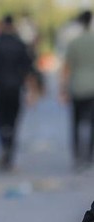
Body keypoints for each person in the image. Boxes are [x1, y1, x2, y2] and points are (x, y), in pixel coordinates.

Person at [0, 14, 35, 172]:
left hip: (1, 88)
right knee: (14, 122)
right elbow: (28, 70)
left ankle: (4, 145)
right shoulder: (20, 44)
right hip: (16, 88)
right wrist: (31, 92)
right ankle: (9, 154)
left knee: (0, 120)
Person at [59, 10, 94, 171]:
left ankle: (77, 155)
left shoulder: (74, 42)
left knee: (76, 123)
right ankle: (89, 156)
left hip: (78, 87)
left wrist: (63, 89)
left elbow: (66, 68)